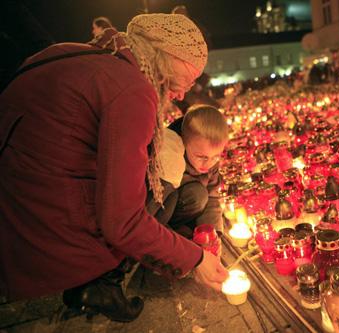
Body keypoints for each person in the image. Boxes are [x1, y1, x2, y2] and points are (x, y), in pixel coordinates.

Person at [0, 13, 228, 322]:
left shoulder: (81, 54)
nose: (184, 93)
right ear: (169, 57)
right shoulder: (132, 90)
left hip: (15, 204)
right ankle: (103, 282)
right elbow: (122, 221)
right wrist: (195, 259)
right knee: (160, 186)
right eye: (189, 77)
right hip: (40, 232)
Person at [149, 105, 228, 242]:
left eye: (216, 156)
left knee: (200, 195)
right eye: (201, 157)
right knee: (191, 195)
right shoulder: (168, 161)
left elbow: (212, 197)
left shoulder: (210, 161)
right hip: (160, 212)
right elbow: (152, 208)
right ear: (184, 143)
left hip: (185, 207)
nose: (208, 164)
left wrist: (213, 234)